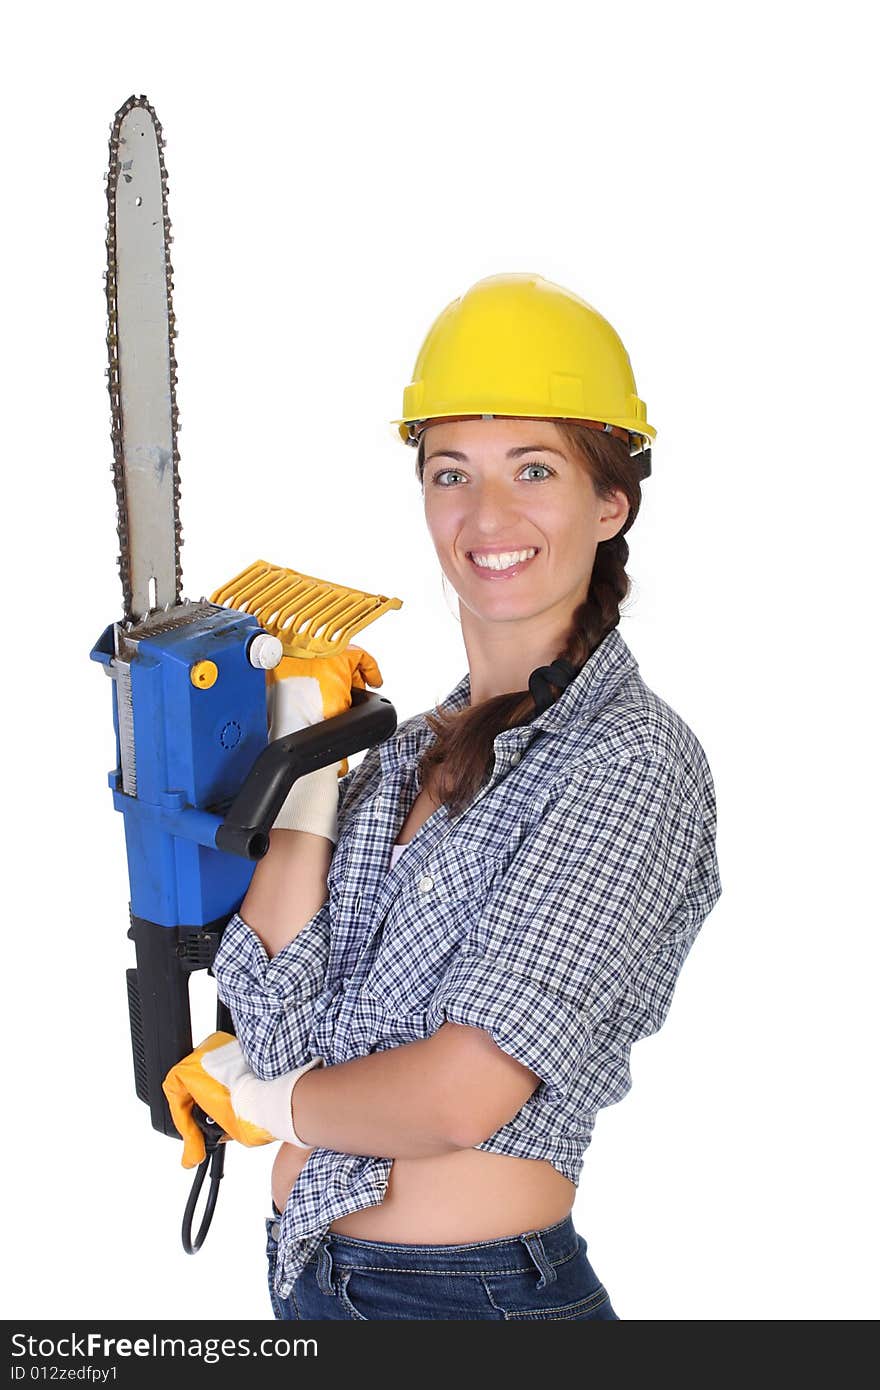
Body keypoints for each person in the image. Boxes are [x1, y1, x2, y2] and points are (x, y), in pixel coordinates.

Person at [165, 272, 723, 1320]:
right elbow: (277, 1014)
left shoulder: (630, 762)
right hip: (311, 1278)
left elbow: (461, 1096)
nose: (486, 514)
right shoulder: (405, 750)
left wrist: (257, 1099)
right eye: (450, 472)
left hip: (468, 1302)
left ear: (611, 502)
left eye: (534, 469)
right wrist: (306, 763)